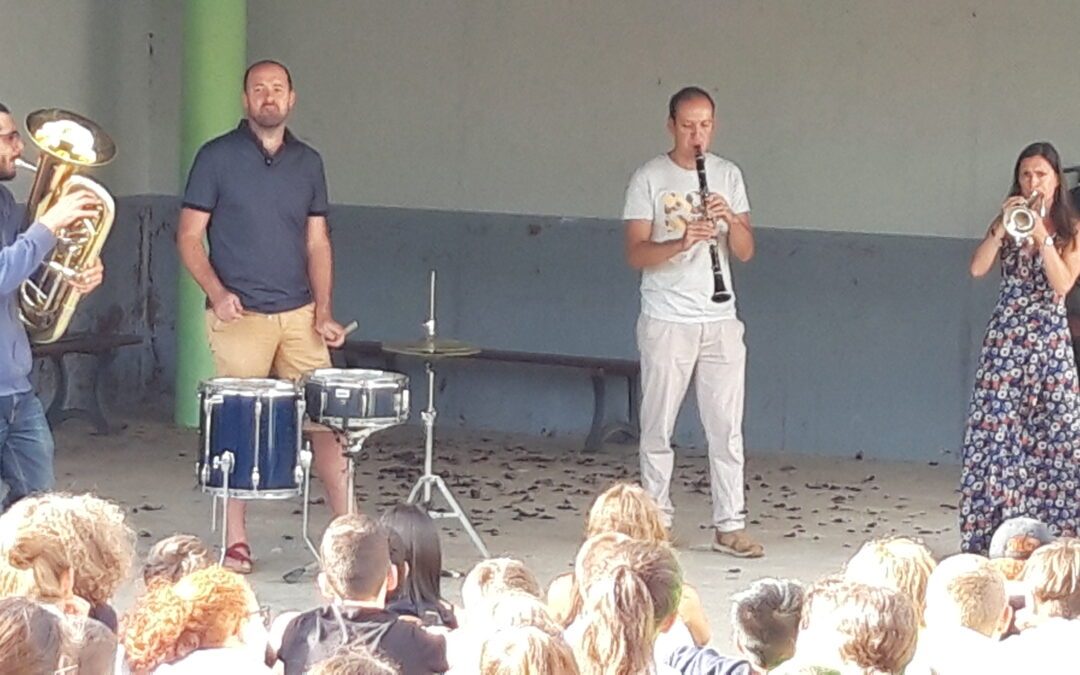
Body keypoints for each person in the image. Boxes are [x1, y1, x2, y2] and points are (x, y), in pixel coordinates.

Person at [176, 60, 349, 573]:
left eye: (277, 89)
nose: (268, 97)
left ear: (292, 99)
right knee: (238, 429)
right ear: (245, 100)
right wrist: (217, 292)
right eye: (258, 89)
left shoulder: (309, 162)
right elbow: (189, 237)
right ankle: (235, 542)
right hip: (240, 315)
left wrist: (325, 311)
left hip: (299, 315)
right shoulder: (215, 157)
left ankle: (347, 536)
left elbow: (317, 242)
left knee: (329, 425)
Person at [622, 86, 760, 558]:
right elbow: (636, 252)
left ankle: (730, 524)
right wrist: (681, 243)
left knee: (726, 426)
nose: (697, 136)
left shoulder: (728, 174)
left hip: (720, 317)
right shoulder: (650, 177)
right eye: (687, 126)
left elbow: (746, 251)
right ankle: (655, 521)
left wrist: (729, 221)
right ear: (671, 126)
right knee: (658, 425)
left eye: (705, 126)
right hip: (666, 317)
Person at [962, 141, 1080, 554]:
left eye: (1041, 175)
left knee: (1059, 437)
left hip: (1048, 342)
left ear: (1056, 181)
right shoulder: (1008, 222)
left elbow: (1063, 284)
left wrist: (1043, 235)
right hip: (1007, 341)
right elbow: (977, 269)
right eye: (1026, 175)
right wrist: (1000, 228)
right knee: (998, 436)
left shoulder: (1071, 228)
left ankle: (1057, 539)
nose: (1033, 182)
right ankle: (994, 533)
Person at [0, 103, 104, 510]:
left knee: (40, 507)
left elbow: (28, 266)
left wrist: (78, 267)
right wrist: (49, 226)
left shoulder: (6, 201)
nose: (19, 147)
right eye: (8, 138)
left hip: (17, 388)